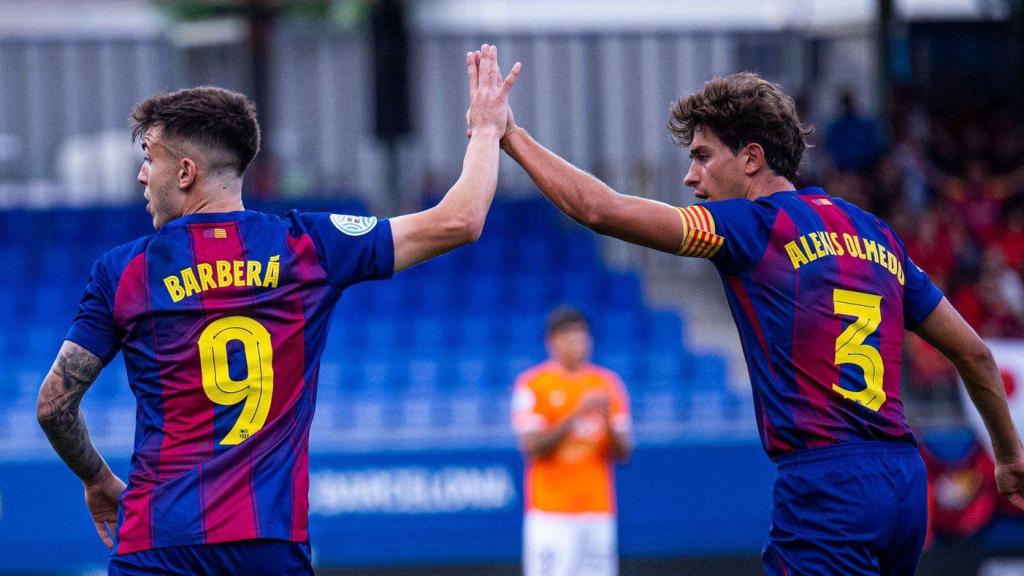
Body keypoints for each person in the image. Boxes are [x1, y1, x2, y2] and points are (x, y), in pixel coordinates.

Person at [494, 71, 1024, 575]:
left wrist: (511, 135)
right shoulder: (876, 233)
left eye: (702, 157)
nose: (690, 176)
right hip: (904, 486)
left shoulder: (751, 227)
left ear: (751, 158)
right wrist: (1008, 456)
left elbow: (596, 209)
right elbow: (974, 353)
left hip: (827, 484)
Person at [35, 44, 519, 575]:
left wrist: (98, 480)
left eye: (149, 157)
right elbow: (461, 220)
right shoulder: (306, 245)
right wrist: (486, 131)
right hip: (267, 543)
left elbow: (54, 405)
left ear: (186, 172)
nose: (142, 175)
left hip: (158, 539)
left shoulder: (122, 271)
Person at [511, 307, 632, 576]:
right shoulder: (533, 385)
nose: (576, 344)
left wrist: (607, 420)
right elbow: (532, 447)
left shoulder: (607, 384)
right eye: (568, 337)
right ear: (551, 342)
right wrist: (577, 413)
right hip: (551, 514)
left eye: (581, 337)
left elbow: (624, 453)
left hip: (596, 510)